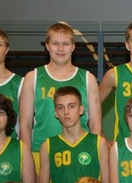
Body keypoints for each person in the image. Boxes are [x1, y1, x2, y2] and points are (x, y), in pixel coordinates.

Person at [19, 22, 102, 168]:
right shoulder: (33, 77)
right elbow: (25, 124)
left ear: (73, 47)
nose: (61, 49)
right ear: (47, 46)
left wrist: (94, 154)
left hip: (80, 153)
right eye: (55, 43)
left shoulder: (87, 79)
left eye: (65, 44)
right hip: (40, 152)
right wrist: (27, 161)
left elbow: (95, 124)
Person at [37, 86, 111, 183]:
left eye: (71, 106)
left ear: (81, 109)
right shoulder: (48, 146)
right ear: (55, 113)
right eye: (60, 108)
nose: (66, 112)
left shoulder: (98, 143)